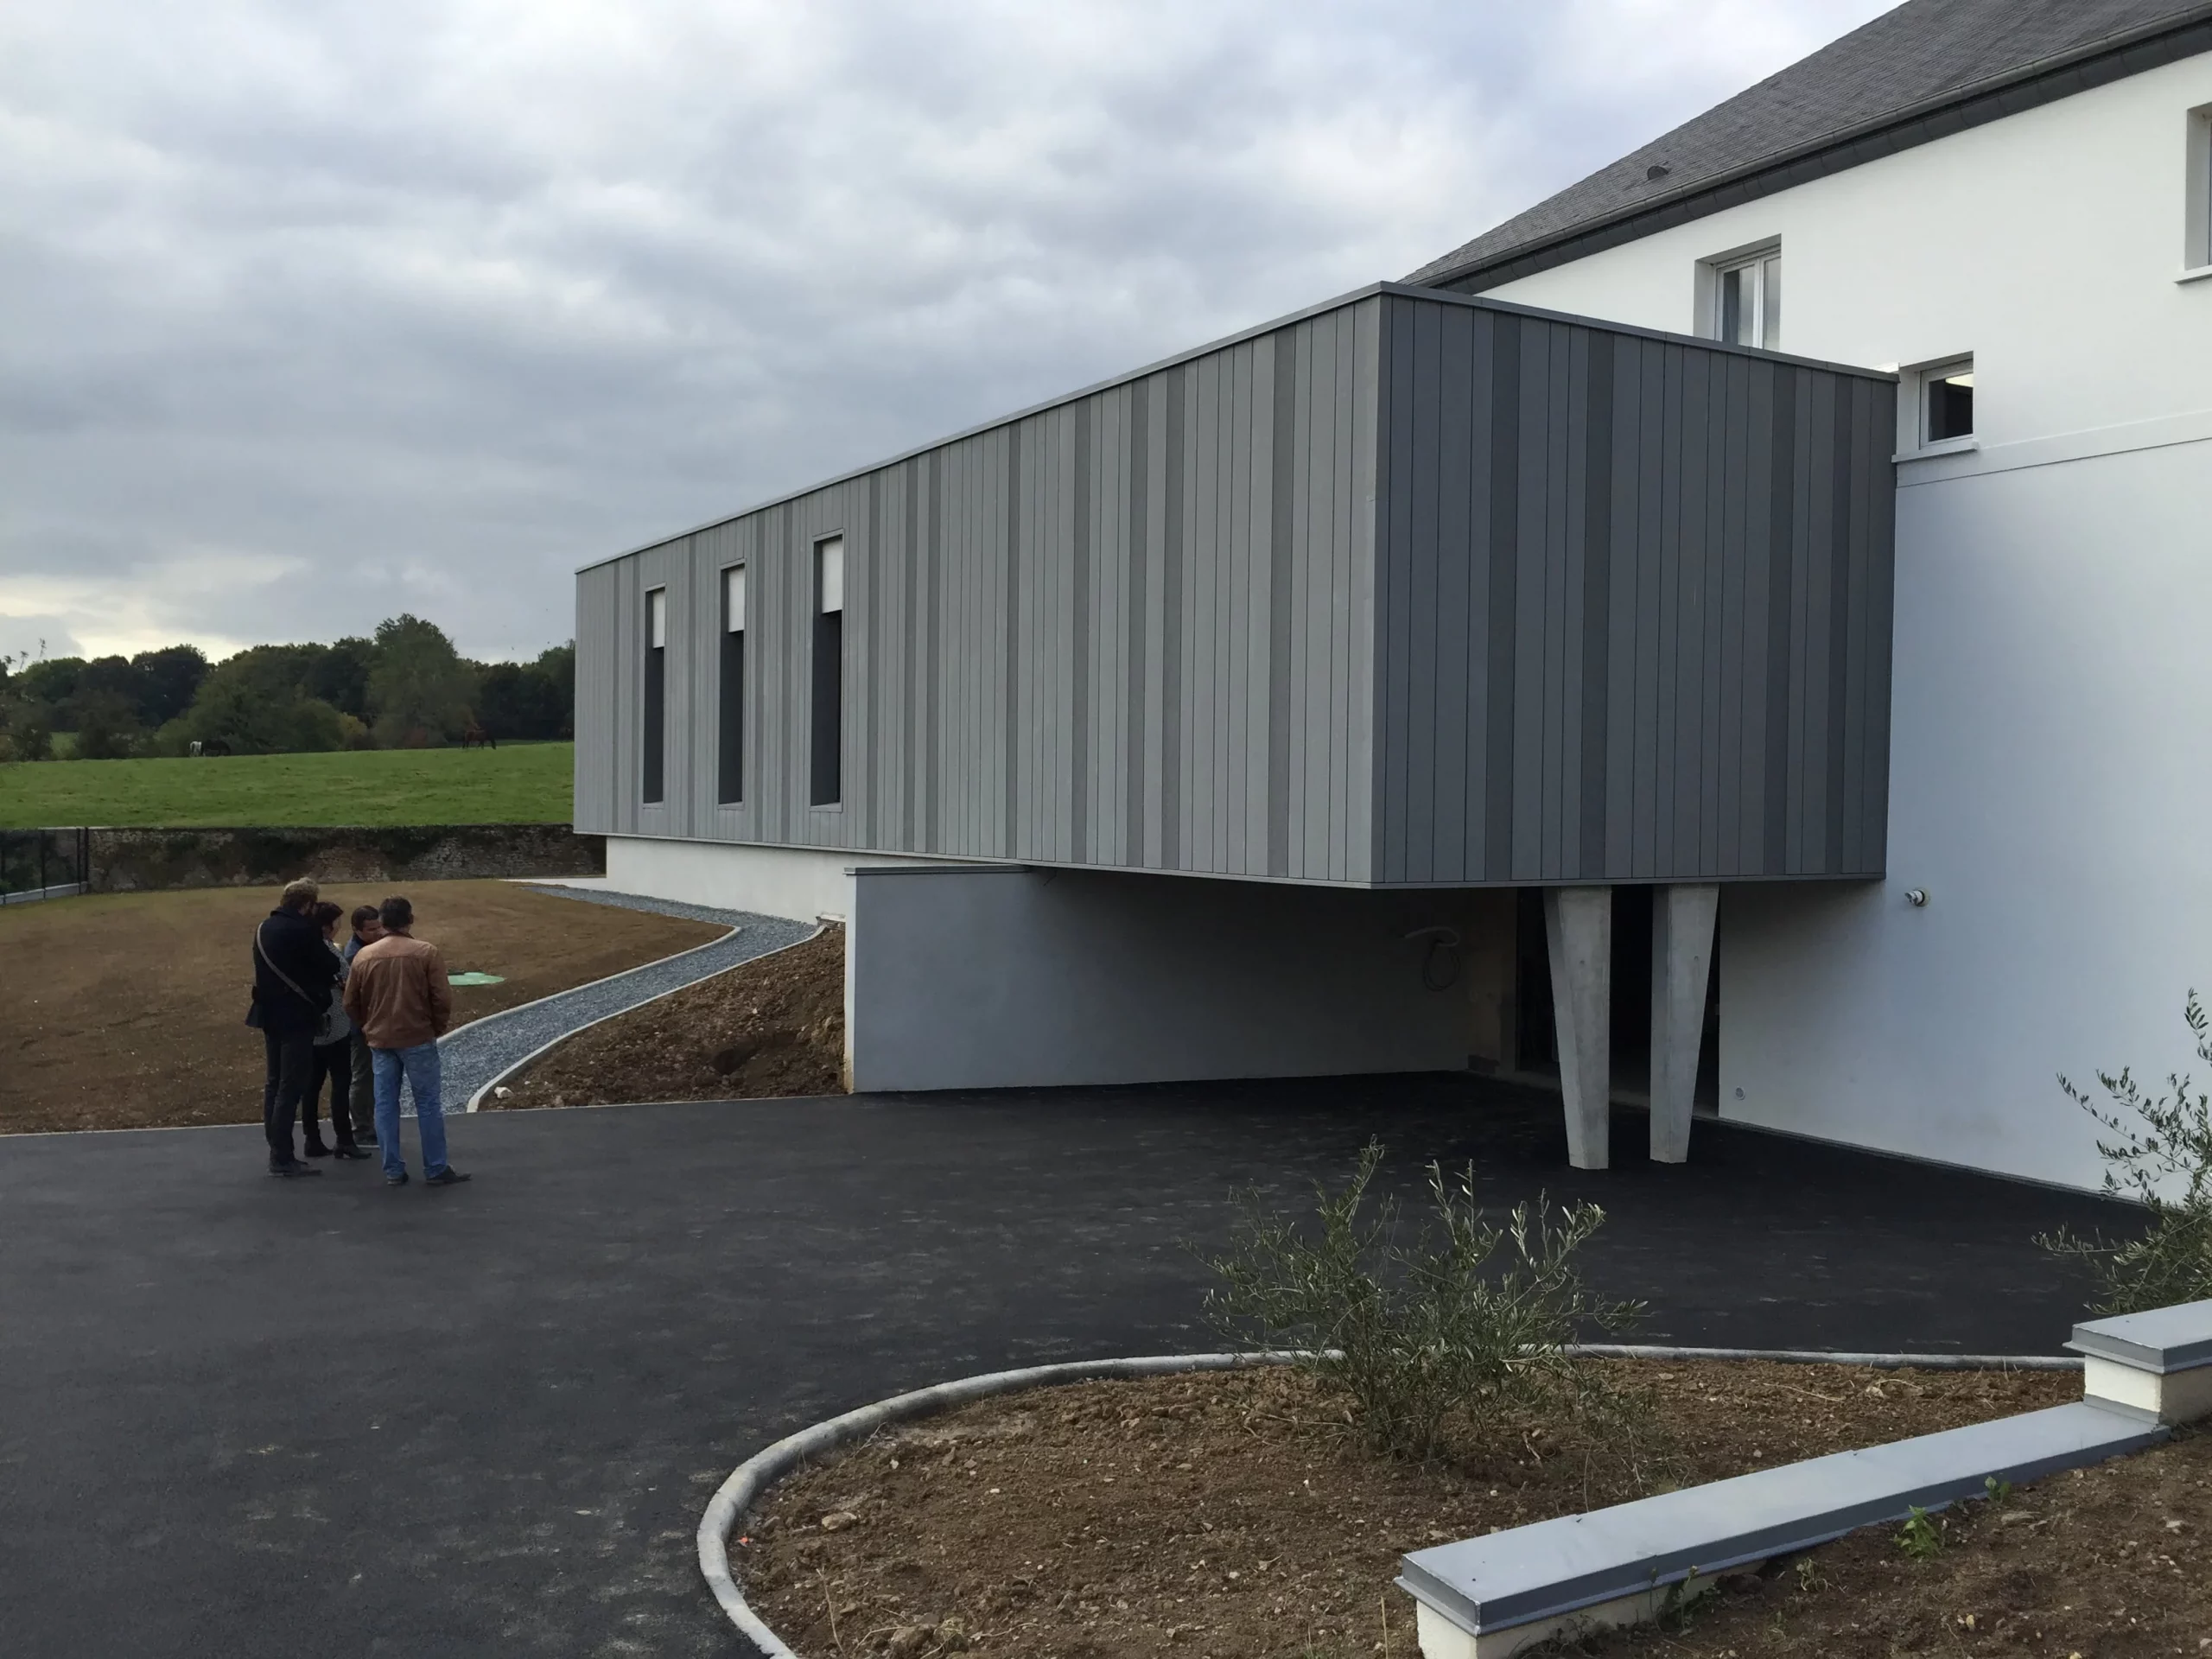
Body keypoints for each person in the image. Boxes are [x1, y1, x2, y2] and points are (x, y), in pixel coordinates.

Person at [343, 894, 470, 1188]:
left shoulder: (364, 956)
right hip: (417, 1036)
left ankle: (392, 1169)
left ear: (383, 922)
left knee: (385, 1104)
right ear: (409, 920)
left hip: (380, 1040)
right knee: (427, 1103)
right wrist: (435, 1027)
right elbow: (441, 997)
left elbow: (350, 1002)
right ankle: (436, 1167)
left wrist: (367, 1026)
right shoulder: (425, 952)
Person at [249, 877, 341, 1178]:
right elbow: (329, 964)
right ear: (307, 904)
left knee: (273, 1083)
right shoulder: (303, 930)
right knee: (291, 1087)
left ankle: (277, 1145)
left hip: (269, 1013)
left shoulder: (265, 927)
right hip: (296, 1016)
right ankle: (282, 1156)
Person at [302, 901, 370, 1160]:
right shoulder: (327, 949)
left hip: (312, 1026)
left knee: (312, 1086)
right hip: (336, 1026)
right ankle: (344, 1139)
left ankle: (312, 1138)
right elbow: (348, 979)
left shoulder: (301, 949)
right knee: (341, 1083)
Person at [341, 905, 384, 1147]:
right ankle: (361, 1128)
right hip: (362, 1027)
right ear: (357, 930)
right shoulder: (354, 955)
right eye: (371, 929)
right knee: (363, 1077)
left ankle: (367, 1124)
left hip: (372, 1023)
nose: (377, 933)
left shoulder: (368, 948)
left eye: (378, 927)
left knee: (370, 1077)